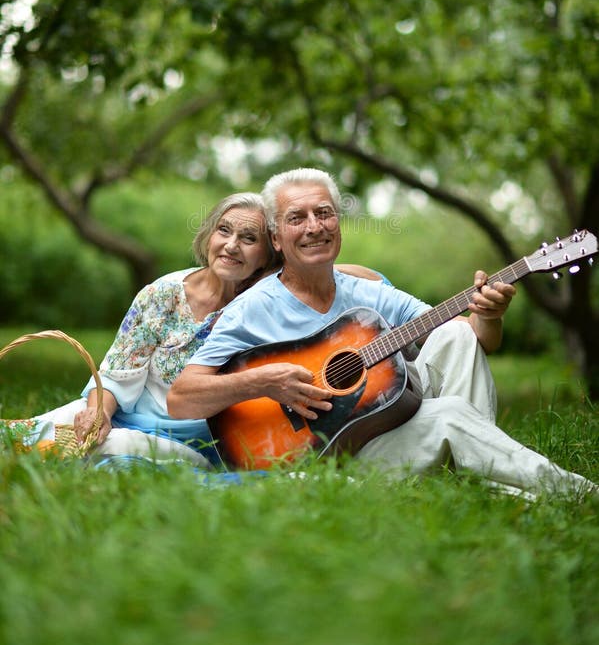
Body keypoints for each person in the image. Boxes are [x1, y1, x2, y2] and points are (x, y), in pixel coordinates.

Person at [167, 168, 597, 497]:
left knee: (457, 336)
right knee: (449, 416)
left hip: (385, 434)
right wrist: (264, 380)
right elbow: (182, 398)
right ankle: (578, 493)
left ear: (338, 223)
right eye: (297, 218)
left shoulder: (366, 294)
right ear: (277, 238)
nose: (314, 226)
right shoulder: (252, 309)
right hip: (320, 462)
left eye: (324, 213)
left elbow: (478, 340)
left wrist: (490, 313)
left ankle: (472, 472)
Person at [2, 190, 385, 465]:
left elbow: (369, 278)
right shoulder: (163, 293)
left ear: (269, 254)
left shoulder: (266, 303)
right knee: (29, 433)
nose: (232, 246)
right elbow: (117, 374)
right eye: (224, 231)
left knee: (108, 449)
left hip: (201, 439)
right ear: (209, 236)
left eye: (249, 238)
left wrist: (317, 265)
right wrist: (98, 413)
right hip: (123, 414)